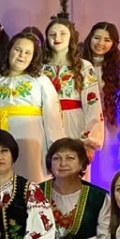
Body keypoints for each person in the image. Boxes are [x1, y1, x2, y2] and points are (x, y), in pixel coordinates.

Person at [0, 32, 65, 183]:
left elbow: (52, 116)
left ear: (33, 57)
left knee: (32, 180)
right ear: (9, 50)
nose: (22, 55)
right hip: (2, 139)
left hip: (32, 142)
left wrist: (56, 150)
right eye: (18, 50)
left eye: (28, 52)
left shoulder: (40, 80)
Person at [42, 18, 105, 178]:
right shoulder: (39, 68)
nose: (57, 38)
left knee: (75, 171)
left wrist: (89, 142)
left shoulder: (83, 66)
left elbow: (93, 104)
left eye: (62, 33)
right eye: (52, 34)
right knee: (47, 172)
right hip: (45, 123)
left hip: (74, 123)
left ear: (71, 37)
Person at [82, 22, 120, 190]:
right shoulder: (79, 65)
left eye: (107, 40)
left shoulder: (117, 69)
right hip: (84, 125)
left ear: (113, 43)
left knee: (107, 174)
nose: (101, 43)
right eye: (97, 38)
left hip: (110, 127)